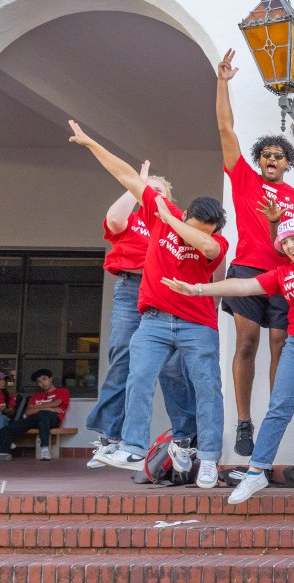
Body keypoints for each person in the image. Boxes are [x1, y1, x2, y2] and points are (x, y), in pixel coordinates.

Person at [165, 145, 294, 510]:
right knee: (279, 408)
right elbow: (241, 286)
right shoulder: (282, 274)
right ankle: (255, 473)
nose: (292, 244)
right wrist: (199, 289)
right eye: (286, 241)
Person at [68, 120, 228, 487]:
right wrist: (93, 143)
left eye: (207, 229)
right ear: (187, 213)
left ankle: (207, 459)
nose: (197, 232)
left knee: (206, 388)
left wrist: (172, 220)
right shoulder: (161, 213)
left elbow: (204, 247)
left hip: (196, 324)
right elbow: (124, 174)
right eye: (192, 223)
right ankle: (133, 445)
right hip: (154, 320)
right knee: (138, 378)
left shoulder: (216, 244)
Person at [216, 49, 294, 457]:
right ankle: (244, 421)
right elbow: (226, 130)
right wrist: (222, 83)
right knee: (246, 343)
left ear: (287, 162)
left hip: (285, 280)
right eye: (266, 155)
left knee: (280, 344)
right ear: (258, 161)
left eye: (279, 156)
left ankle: (274, 419)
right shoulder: (244, 180)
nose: (272, 159)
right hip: (246, 271)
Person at [86, 162, 198, 472]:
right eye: (147, 191)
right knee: (122, 355)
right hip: (131, 288)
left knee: (173, 366)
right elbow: (114, 218)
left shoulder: (176, 222)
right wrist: (138, 184)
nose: (151, 195)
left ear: (169, 197)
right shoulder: (132, 220)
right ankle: (110, 436)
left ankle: (186, 436)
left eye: (158, 192)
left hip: (164, 292)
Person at [0, 370, 69, 461]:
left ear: (50, 379)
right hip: (35, 419)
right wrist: (47, 408)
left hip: (53, 419)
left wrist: (38, 408)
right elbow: (28, 412)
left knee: (44, 415)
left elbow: (56, 403)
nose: (42, 383)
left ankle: (44, 449)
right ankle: (4, 452)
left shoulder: (62, 391)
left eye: (44, 379)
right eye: (39, 382)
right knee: (7, 428)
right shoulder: (36, 396)